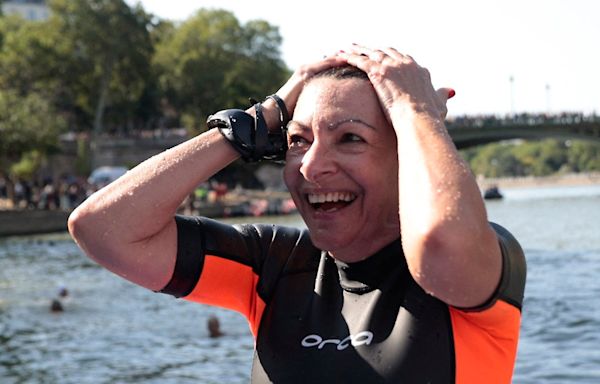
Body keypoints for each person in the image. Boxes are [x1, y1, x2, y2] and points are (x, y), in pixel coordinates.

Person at [68, 44, 526, 383]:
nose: (309, 165)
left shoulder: (477, 264)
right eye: (297, 141)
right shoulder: (275, 265)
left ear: (406, 153)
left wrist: (415, 111)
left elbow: (439, 245)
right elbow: (103, 229)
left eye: (350, 138)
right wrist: (260, 119)